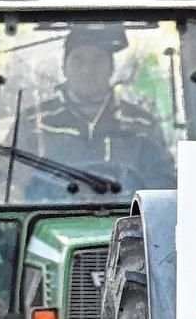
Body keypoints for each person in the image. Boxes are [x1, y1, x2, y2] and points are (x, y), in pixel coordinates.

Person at [30, 26, 174, 193]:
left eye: (98, 60)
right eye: (78, 59)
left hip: (127, 217)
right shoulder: (35, 123)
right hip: (45, 217)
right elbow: (8, 183)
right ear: (64, 68)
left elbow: (163, 187)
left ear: (111, 68)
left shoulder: (141, 124)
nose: (87, 69)